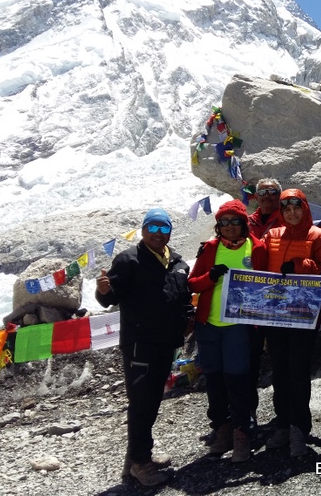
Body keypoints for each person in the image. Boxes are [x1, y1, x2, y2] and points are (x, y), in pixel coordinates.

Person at [95, 208, 192, 487]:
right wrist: (103, 291)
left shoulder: (177, 262)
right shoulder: (129, 260)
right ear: (143, 229)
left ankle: (136, 460)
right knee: (141, 403)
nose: (158, 233)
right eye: (153, 227)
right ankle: (140, 463)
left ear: (170, 232)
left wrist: (188, 318)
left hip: (166, 343)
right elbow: (110, 297)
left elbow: (183, 296)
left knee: (152, 401)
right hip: (140, 344)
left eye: (164, 228)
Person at [188, 200, 265, 463]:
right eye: (224, 222)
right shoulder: (210, 248)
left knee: (238, 379)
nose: (230, 226)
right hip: (208, 324)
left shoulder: (257, 247)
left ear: (244, 223)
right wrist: (210, 277)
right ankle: (221, 430)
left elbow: (266, 283)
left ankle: (241, 432)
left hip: (238, 326)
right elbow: (193, 284)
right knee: (214, 379)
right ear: (218, 226)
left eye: (235, 221)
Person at [261, 189, 321, 457]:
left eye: (297, 208)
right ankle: (282, 424)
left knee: (298, 370)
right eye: (287, 209)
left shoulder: (320, 236)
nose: (292, 213)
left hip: (303, 313)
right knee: (279, 370)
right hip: (274, 314)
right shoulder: (271, 235)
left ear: (305, 209)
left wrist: (300, 265)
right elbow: (258, 267)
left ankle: (298, 428)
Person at [245, 177, 283, 431]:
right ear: (256, 196)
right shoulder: (245, 223)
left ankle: (283, 415)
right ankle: (247, 414)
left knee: (281, 361)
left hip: (279, 301)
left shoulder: (287, 220)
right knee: (248, 359)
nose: (268, 195)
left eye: (272, 192)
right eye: (263, 191)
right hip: (249, 300)